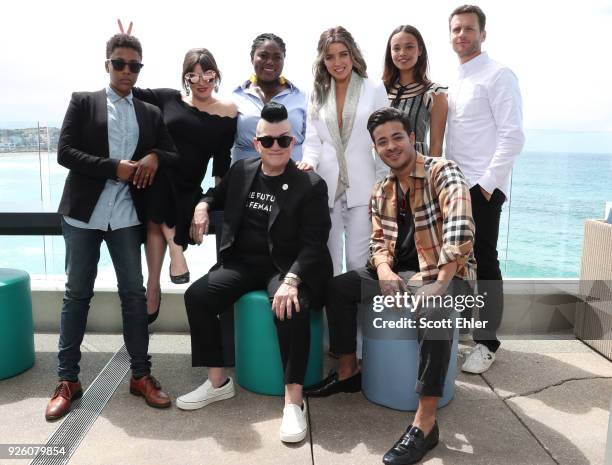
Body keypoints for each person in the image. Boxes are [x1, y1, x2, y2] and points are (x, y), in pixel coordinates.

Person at [306, 107, 476, 464]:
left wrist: (439, 284)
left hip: (446, 274)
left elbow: (459, 229)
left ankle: (425, 422)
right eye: (382, 142)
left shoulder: (442, 171)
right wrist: (383, 269)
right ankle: (349, 370)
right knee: (338, 288)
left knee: (436, 310)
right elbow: (378, 243)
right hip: (400, 273)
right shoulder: (381, 189)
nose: (391, 146)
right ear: (375, 149)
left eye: (397, 137)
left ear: (413, 138)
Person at [177, 102, 332, 444]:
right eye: (267, 141)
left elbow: (314, 243)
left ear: (294, 143)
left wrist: (293, 280)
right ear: (256, 143)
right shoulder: (243, 170)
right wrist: (203, 205)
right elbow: (215, 192)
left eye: (283, 140)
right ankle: (218, 383)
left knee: (290, 305)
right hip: (242, 263)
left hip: (285, 266)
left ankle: (293, 400)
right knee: (198, 296)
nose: (275, 147)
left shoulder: (310, 184)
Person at [46, 33, 176, 421]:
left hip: (125, 217)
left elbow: (173, 153)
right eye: (119, 63)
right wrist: (113, 167)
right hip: (83, 215)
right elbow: (64, 152)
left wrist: (153, 155)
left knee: (133, 296)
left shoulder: (150, 112)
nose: (126, 71)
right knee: (77, 294)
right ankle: (67, 380)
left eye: (134, 65)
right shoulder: (83, 102)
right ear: (107, 64)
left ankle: (141, 376)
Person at [446, 4, 525, 373]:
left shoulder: (498, 75)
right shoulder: (458, 77)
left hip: (481, 186)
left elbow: (512, 135)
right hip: (454, 186)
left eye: (468, 29)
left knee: (486, 261)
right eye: (456, 29)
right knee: (458, 260)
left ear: (483, 33)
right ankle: (464, 326)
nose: (462, 35)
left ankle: (488, 342)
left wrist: (487, 186)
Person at [133, 48, 237, 323]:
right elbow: (127, 88)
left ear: (217, 75)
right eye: (194, 75)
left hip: (189, 188)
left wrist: (217, 200)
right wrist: (128, 44)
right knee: (159, 177)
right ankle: (175, 255)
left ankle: (152, 286)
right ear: (185, 78)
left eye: (208, 74)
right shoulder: (168, 98)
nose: (201, 81)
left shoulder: (228, 112)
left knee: (156, 218)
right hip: (157, 176)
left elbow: (222, 162)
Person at [299, 26, 389, 275]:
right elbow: (313, 140)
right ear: (322, 59)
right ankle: (331, 315)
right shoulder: (317, 92)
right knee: (329, 261)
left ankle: (359, 315)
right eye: (330, 56)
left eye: (343, 54)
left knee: (358, 261)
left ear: (353, 55)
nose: (337, 62)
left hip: (364, 187)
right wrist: (308, 162)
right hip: (325, 187)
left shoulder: (374, 88)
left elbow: (385, 140)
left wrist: (383, 185)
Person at [232, 33, 307, 162]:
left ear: (284, 59)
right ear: (252, 58)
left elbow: (313, 142)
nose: (270, 62)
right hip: (245, 177)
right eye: (263, 56)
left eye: (277, 57)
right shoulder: (235, 98)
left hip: (293, 176)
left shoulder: (301, 98)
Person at [382, 25, 448, 156]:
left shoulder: (434, 92)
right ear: (390, 53)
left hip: (418, 170)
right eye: (396, 48)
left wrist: (429, 175)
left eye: (409, 47)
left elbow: (436, 144)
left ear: (420, 50)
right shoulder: (380, 90)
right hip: (382, 170)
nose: (402, 53)